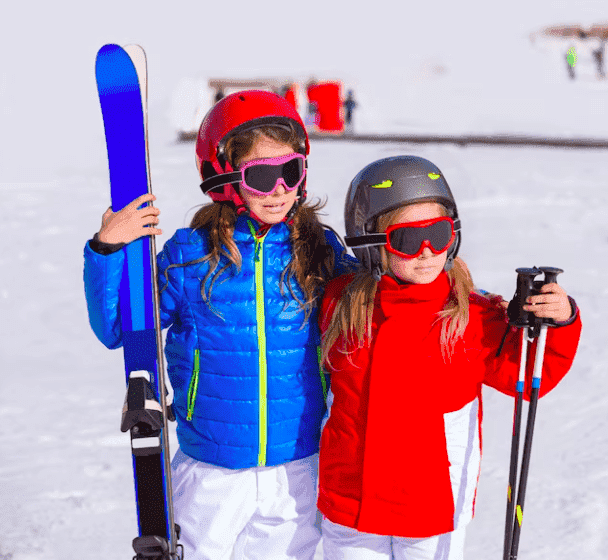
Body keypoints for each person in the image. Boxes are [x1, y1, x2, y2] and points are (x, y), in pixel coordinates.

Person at [83, 90, 356, 560]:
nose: (280, 190)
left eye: (290, 172)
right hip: (210, 468)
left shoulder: (319, 250)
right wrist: (109, 250)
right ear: (223, 178)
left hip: (298, 466)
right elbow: (119, 329)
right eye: (262, 176)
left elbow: (371, 309)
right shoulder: (191, 256)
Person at [316, 155, 582, 559]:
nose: (426, 252)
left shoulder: (469, 315)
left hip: (431, 507)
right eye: (407, 240)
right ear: (371, 244)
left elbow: (529, 375)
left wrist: (557, 322)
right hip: (351, 502)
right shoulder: (342, 304)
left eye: (437, 235)